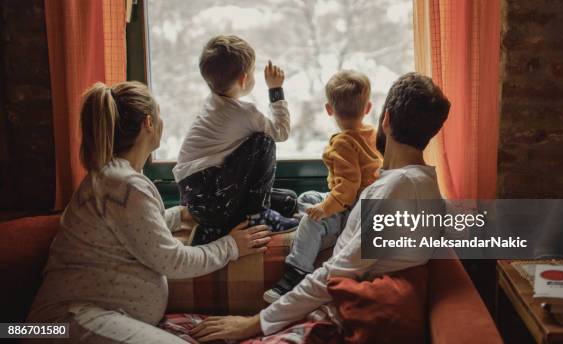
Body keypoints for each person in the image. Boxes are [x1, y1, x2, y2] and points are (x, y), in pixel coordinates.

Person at [189, 72, 451, 342]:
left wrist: (255, 323)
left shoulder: (398, 189)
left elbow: (337, 271)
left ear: (385, 120)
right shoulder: (427, 187)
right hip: (343, 307)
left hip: (344, 319)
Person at [26, 81, 272, 343]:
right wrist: (231, 246)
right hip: (66, 322)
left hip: (78, 320)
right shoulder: (125, 185)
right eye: (159, 115)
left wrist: (183, 214)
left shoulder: (115, 178)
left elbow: (137, 231)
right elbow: (172, 261)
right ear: (148, 123)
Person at [264, 71, 383, 303]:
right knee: (308, 197)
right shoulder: (371, 133)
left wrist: (327, 209)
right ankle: (312, 228)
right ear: (368, 108)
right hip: (357, 200)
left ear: (329, 109)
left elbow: (348, 187)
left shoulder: (343, 143)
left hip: (351, 209)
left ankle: (297, 272)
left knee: (312, 218)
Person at [173, 35, 299, 245]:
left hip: (196, 199)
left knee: (288, 201)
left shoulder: (211, 103)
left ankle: (223, 224)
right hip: (213, 197)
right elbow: (281, 132)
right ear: (243, 79)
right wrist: (275, 89)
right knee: (263, 142)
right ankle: (259, 217)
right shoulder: (245, 113)